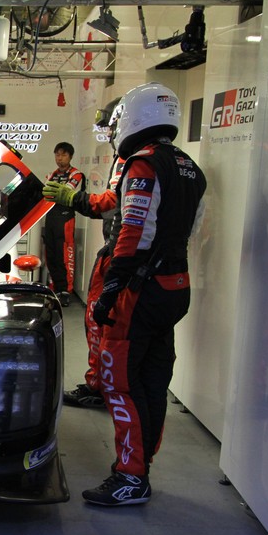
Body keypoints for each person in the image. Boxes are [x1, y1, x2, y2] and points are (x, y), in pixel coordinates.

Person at [81, 82, 206, 507]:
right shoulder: (191, 166)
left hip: (140, 291)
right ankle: (142, 465)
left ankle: (131, 477)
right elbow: (190, 232)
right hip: (175, 286)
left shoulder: (142, 165)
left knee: (119, 382)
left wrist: (112, 287)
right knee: (153, 381)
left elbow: (134, 233)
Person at [44, 98, 125, 409]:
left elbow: (109, 205)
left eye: (111, 127)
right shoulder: (138, 161)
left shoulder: (134, 163)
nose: (109, 133)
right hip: (128, 256)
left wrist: (77, 200)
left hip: (120, 256)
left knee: (100, 320)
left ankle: (102, 386)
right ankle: (104, 385)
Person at [41, 142, 85, 307]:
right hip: (51, 215)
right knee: (51, 253)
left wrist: (52, 192)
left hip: (66, 217)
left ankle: (66, 291)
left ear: (70, 156)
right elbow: (46, 193)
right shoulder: (51, 174)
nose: (60, 158)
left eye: (63, 155)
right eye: (57, 155)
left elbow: (64, 192)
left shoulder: (76, 174)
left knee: (64, 254)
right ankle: (55, 288)